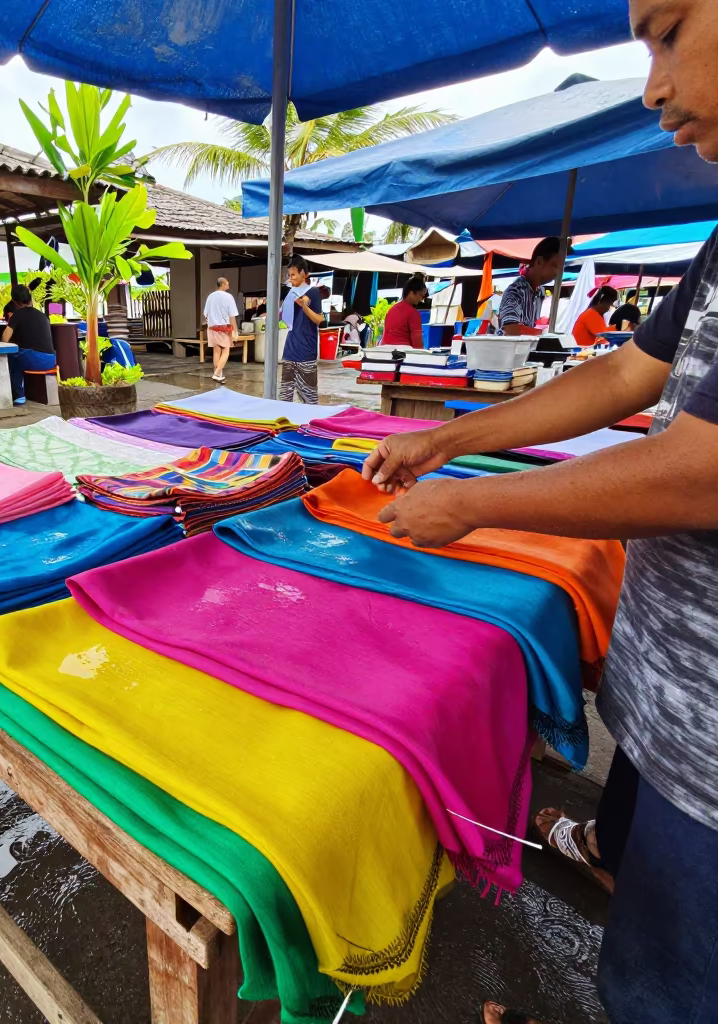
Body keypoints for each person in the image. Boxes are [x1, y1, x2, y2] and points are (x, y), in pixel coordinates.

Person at [364, 3, 718, 1018]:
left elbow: (699, 469)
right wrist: (448, 437)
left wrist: (471, 503)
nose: (650, 85)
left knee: (667, 988)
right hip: (675, 686)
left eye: (666, 30)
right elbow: (621, 375)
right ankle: (607, 856)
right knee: (639, 878)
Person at [279, 256, 325, 404]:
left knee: (309, 399)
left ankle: (310, 425)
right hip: (290, 351)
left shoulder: (312, 292)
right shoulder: (291, 293)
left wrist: (304, 307)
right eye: (289, 275)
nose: (290, 278)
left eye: (293, 275)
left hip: (306, 352)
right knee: (285, 396)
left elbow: (319, 320)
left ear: (303, 273)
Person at [1, 283, 56, 405]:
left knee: (10, 357)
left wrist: (11, 321)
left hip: (34, 359)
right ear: (30, 298)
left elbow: (4, 339)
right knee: (20, 355)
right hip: (51, 360)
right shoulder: (43, 315)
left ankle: (19, 395)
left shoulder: (17, 315)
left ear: (15, 302)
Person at [497, 237, 564, 335]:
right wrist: (545, 334)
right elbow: (510, 330)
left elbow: (531, 326)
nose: (557, 273)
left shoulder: (539, 292)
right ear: (539, 262)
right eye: (554, 265)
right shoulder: (516, 290)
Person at [203, 276, 240, 383]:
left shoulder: (210, 296)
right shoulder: (228, 297)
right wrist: (235, 331)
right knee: (226, 350)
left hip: (212, 327)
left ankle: (219, 374)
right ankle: (217, 373)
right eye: (227, 284)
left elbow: (205, 314)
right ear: (223, 284)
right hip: (223, 327)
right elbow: (232, 316)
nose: (228, 286)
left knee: (216, 350)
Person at [382, 277, 428, 347]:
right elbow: (417, 340)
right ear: (412, 293)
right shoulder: (412, 312)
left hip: (386, 351)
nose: (421, 299)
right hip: (404, 352)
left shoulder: (392, 309)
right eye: (421, 295)